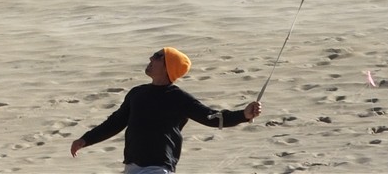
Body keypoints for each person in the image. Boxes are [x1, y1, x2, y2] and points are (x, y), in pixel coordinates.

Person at [69, 47, 262, 173]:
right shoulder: (137, 93)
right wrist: (86, 139)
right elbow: (116, 122)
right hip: (131, 167)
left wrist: (243, 115)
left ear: (169, 66)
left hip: (158, 168)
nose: (151, 58)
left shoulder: (178, 98)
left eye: (157, 56)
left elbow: (210, 117)